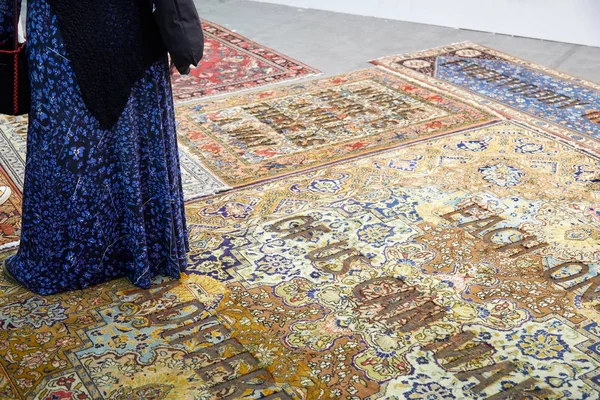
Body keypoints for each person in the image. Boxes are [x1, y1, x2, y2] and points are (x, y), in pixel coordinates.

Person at [1, 0, 193, 295]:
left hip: (60, 28)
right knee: (130, 125)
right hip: (130, 23)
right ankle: (145, 248)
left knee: (68, 137)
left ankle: (71, 260)